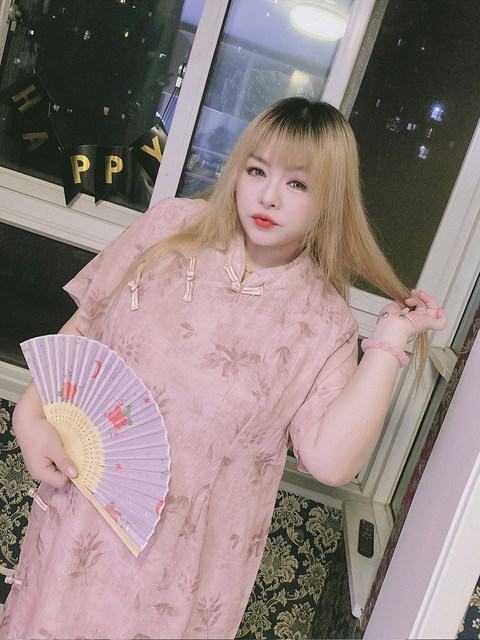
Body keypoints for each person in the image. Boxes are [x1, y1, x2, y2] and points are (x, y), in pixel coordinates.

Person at [0, 97, 446, 639]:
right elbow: (85, 327)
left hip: (179, 578)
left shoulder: (324, 323)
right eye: (256, 170)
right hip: (80, 517)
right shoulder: (170, 228)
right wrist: (29, 417)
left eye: (297, 183)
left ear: (330, 200)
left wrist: (390, 340)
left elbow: (331, 461)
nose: (268, 195)